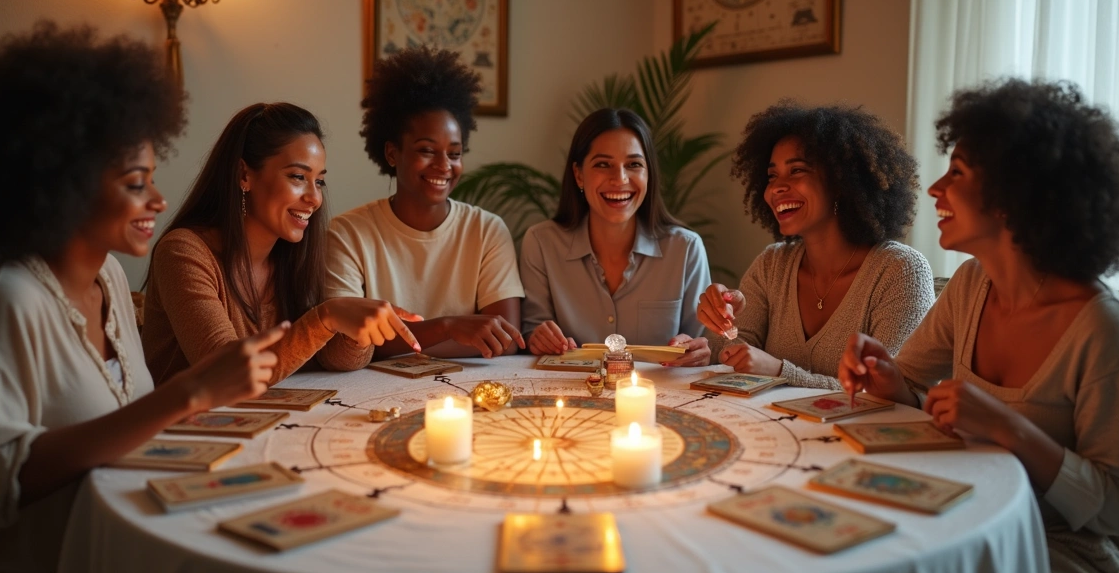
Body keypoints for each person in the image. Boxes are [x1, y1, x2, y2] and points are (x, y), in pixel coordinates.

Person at [0, 23, 287, 573]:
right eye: (135, 182)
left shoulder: (114, 278)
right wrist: (188, 393)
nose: (159, 198)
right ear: (62, 184)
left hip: (106, 549)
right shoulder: (5, 301)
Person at [839, 79, 1119, 573]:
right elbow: (910, 387)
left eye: (956, 172)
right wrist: (884, 374)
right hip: (963, 516)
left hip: (1063, 548)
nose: (935, 189)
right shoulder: (970, 284)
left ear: (1013, 195)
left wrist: (1009, 428)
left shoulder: (1100, 324)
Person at [142, 103, 420, 385]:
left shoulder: (290, 256)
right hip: (182, 428)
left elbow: (332, 360)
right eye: (298, 177)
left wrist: (355, 333)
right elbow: (225, 373)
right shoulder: (182, 252)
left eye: (319, 181)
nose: (314, 198)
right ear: (244, 175)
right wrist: (325, 317)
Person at [698, 102, 934, 388]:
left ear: (841, 182)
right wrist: (723, 321)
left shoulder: (901, 271)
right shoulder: (772, 265)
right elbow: (725, 354)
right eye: (772, 176)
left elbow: (894, 393)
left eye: (797, 171)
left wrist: (780, 371)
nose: (775, 188)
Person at [326, 46, 525, 360]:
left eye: (455, 153)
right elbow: (344, 341)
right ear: (392, 153)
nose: (444, 165)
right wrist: (447, 327)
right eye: (427, 150)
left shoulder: (487, 230)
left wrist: (397, 343)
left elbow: (506, 338)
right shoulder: (348, 233)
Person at [520, 108, 711, 365]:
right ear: (578, 174)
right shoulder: (541, 243)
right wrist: (536, 338)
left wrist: (697, 351)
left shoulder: (686, 249)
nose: (620, 179)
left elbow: (702, 343)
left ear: (648, 173)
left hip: (661, 399)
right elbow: (531, 333)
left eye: (634, 164)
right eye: (603, 164)